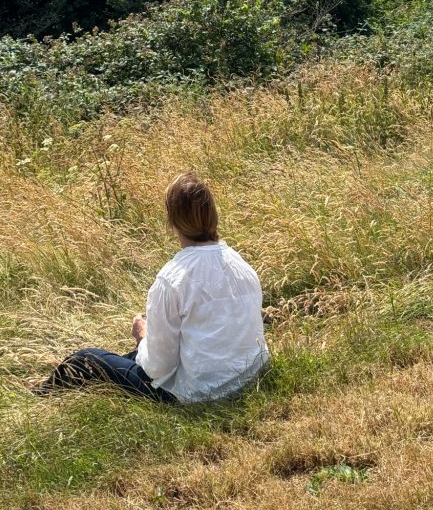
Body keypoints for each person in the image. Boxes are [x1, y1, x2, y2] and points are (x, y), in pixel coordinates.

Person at [33, 172, 269, 404]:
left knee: (84, 360)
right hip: (246, 379)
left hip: (196, 393)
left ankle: (37, 400)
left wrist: (142, 336)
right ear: (212, 214)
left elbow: (158, 367)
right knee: (127, 359)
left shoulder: (172, 279)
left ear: (172, 221)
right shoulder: (241, 265)